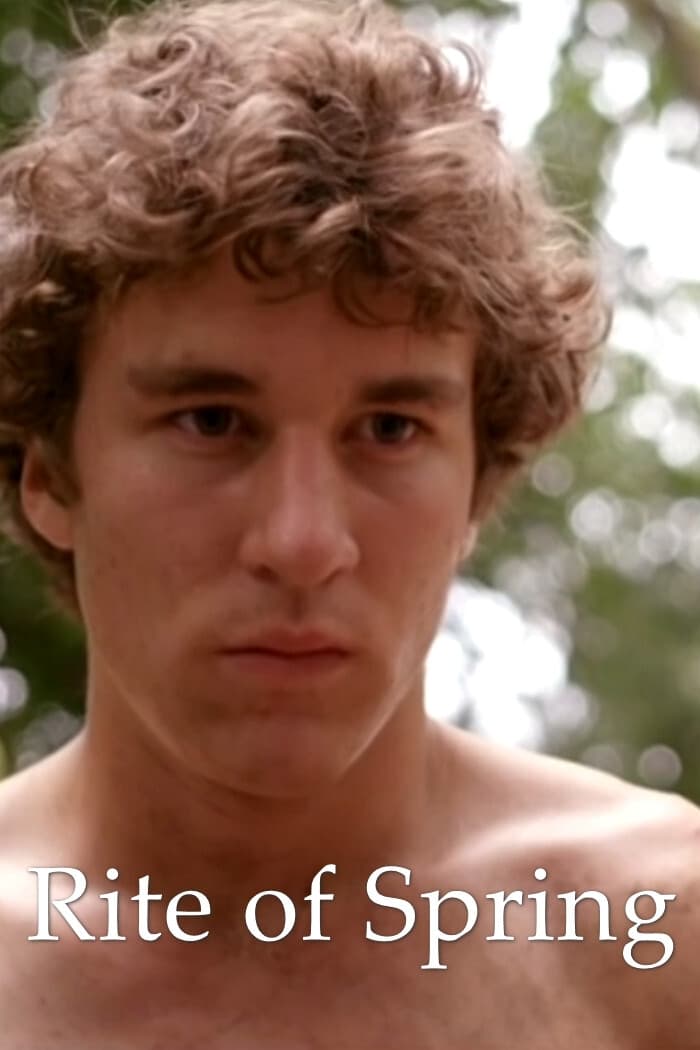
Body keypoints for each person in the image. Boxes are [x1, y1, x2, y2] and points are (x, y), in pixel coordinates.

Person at [0, 0, 697, 1046]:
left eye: (388, 428)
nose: (301, 542)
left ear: (476, 485)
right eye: (211, 420)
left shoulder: (660, 935)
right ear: (50, 473)